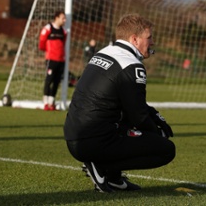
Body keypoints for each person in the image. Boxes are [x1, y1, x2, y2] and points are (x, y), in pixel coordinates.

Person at [64, 13, 175, 193]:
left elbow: (128, 101)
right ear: (134, 39)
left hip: (74, 133)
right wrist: (156, 132)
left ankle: (114, 179)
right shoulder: (131, 65)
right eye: (149, 37)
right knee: (166, 150)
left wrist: (154, 115)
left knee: (124, 119)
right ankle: (102, 166)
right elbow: (137, 115)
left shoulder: (103, 52)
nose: (152, 42)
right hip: (94, 141)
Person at [38, 10, 67, 111]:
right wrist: (49, 52)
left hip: (61, 60)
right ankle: (45, 103)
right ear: (57, 17)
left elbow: (63, 44)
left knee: (56, 81)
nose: (65, 20)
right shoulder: (48, 28)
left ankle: (51, 103)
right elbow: (41, 43)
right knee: (49, 80)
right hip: (51, 59)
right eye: (63, 18)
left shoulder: (64, 32)